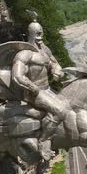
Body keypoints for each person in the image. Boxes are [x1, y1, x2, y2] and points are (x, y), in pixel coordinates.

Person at [11, 19, 71, 159]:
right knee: (60, 111)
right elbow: (18, 76)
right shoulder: (25, 54)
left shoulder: (45, 51)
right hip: (34, 93)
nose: (41, 36)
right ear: (31, 34)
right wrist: (33, 88)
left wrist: (57, 71)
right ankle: (44, 142)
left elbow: (54, 63)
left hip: (47, 89)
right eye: (38, 33)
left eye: (41, 33)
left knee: (68, 105)